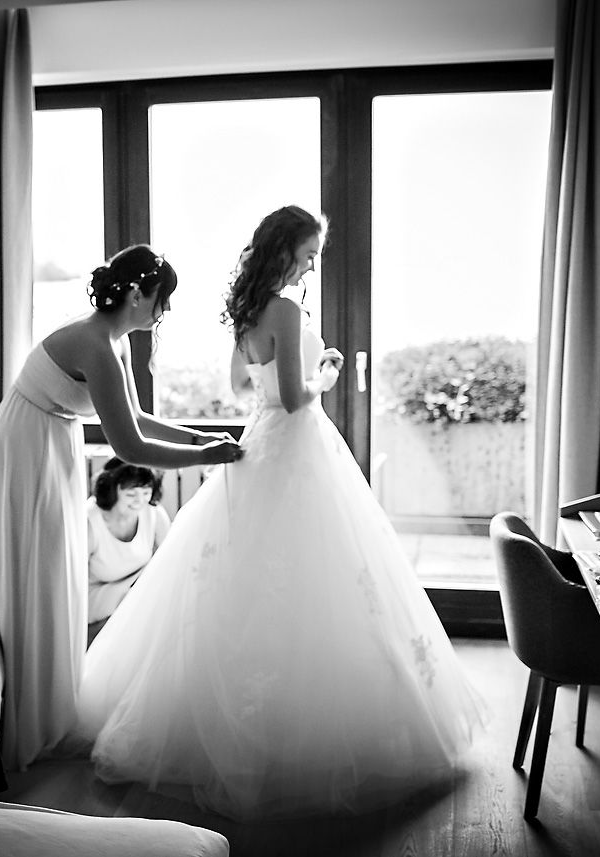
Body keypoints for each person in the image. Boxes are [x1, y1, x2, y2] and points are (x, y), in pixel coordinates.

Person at [76, 206, 486, 821]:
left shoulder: (247, 310)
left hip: (257, 442)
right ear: (287, 249)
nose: (313, 266)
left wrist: (282, 380)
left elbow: (244, 388)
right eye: (310, 254)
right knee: (324, 572)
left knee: (241, 580)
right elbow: (296, 399)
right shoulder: (288, 310)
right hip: (296, 445)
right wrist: (327, 372)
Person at [0, 244, 243, 771]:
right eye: (162, 299)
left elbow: (137, 416)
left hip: (52, 443)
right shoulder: (93, 343)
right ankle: (29, 721)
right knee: (40, 579)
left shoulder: (112, 341)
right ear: (138, 293)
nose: (165, 311)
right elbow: (130, 446)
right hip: (23, 451)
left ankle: (53, 712)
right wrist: (202, 458)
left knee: (59, 579)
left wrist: (199, 438)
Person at [86, 458, 172, 642]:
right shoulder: (90, 521)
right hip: (98, 594)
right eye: (131, 494)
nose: (140, 501)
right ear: (112, 490)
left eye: (146, 493)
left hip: (138, 586)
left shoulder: (153, 512)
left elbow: (171, 558)